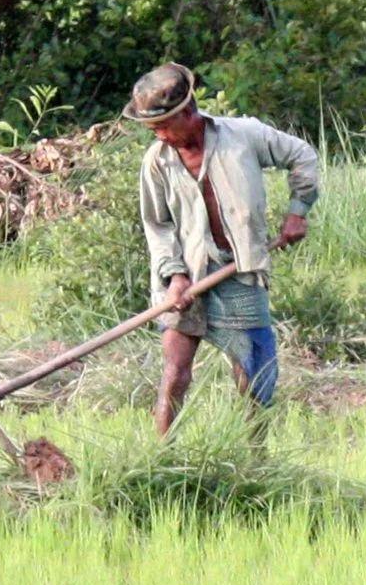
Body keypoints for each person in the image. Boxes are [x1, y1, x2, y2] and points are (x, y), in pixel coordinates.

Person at [122, 62, 319, 436]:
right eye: (152, 129)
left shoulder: (244, 136)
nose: (160, 136)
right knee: (175, 369)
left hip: (239, 271)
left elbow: (303, 156)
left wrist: (298, 212)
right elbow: (158, 225)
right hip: (184, 275)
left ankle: (253, 462)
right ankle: (161, 458)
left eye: (164, 126)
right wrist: (175, 276)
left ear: (188, 112)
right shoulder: (156, 162)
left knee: (253, 372)